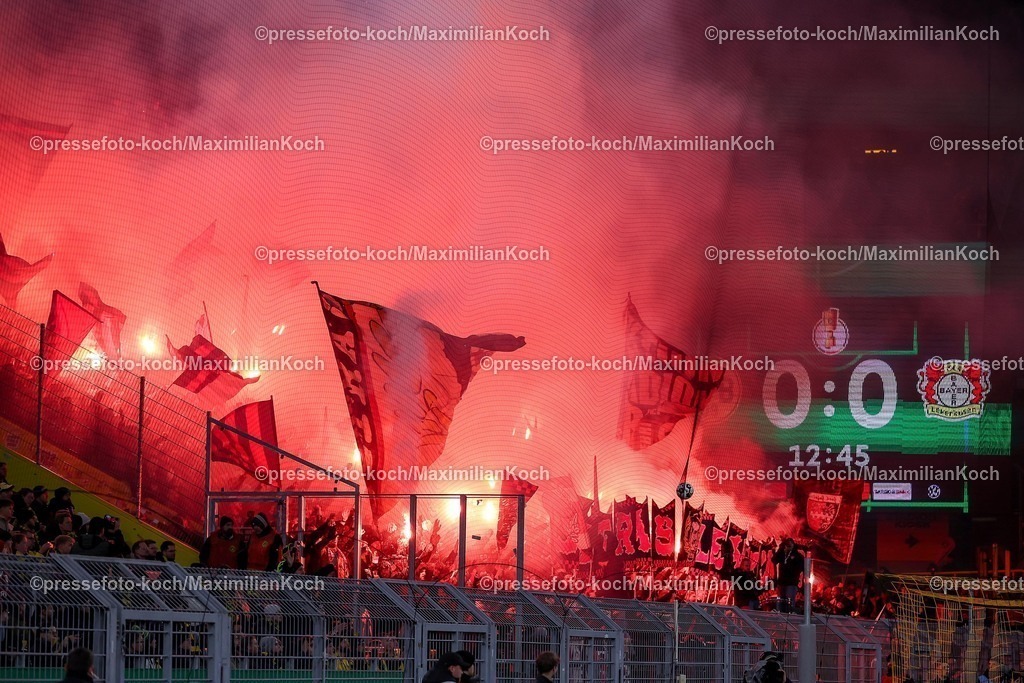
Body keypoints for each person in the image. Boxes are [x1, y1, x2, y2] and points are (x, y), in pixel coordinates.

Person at [772, 538, 804, 613]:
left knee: (789, 602)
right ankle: (780, 617)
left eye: (789, 545)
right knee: (780, 602)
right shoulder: (782, 554)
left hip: (791, 583)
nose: (788, 547)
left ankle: (789, 616)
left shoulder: (797, 555)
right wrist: (780, 549)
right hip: (781, 582)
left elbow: (802, 566)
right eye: (786, 545)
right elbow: (774, 560)